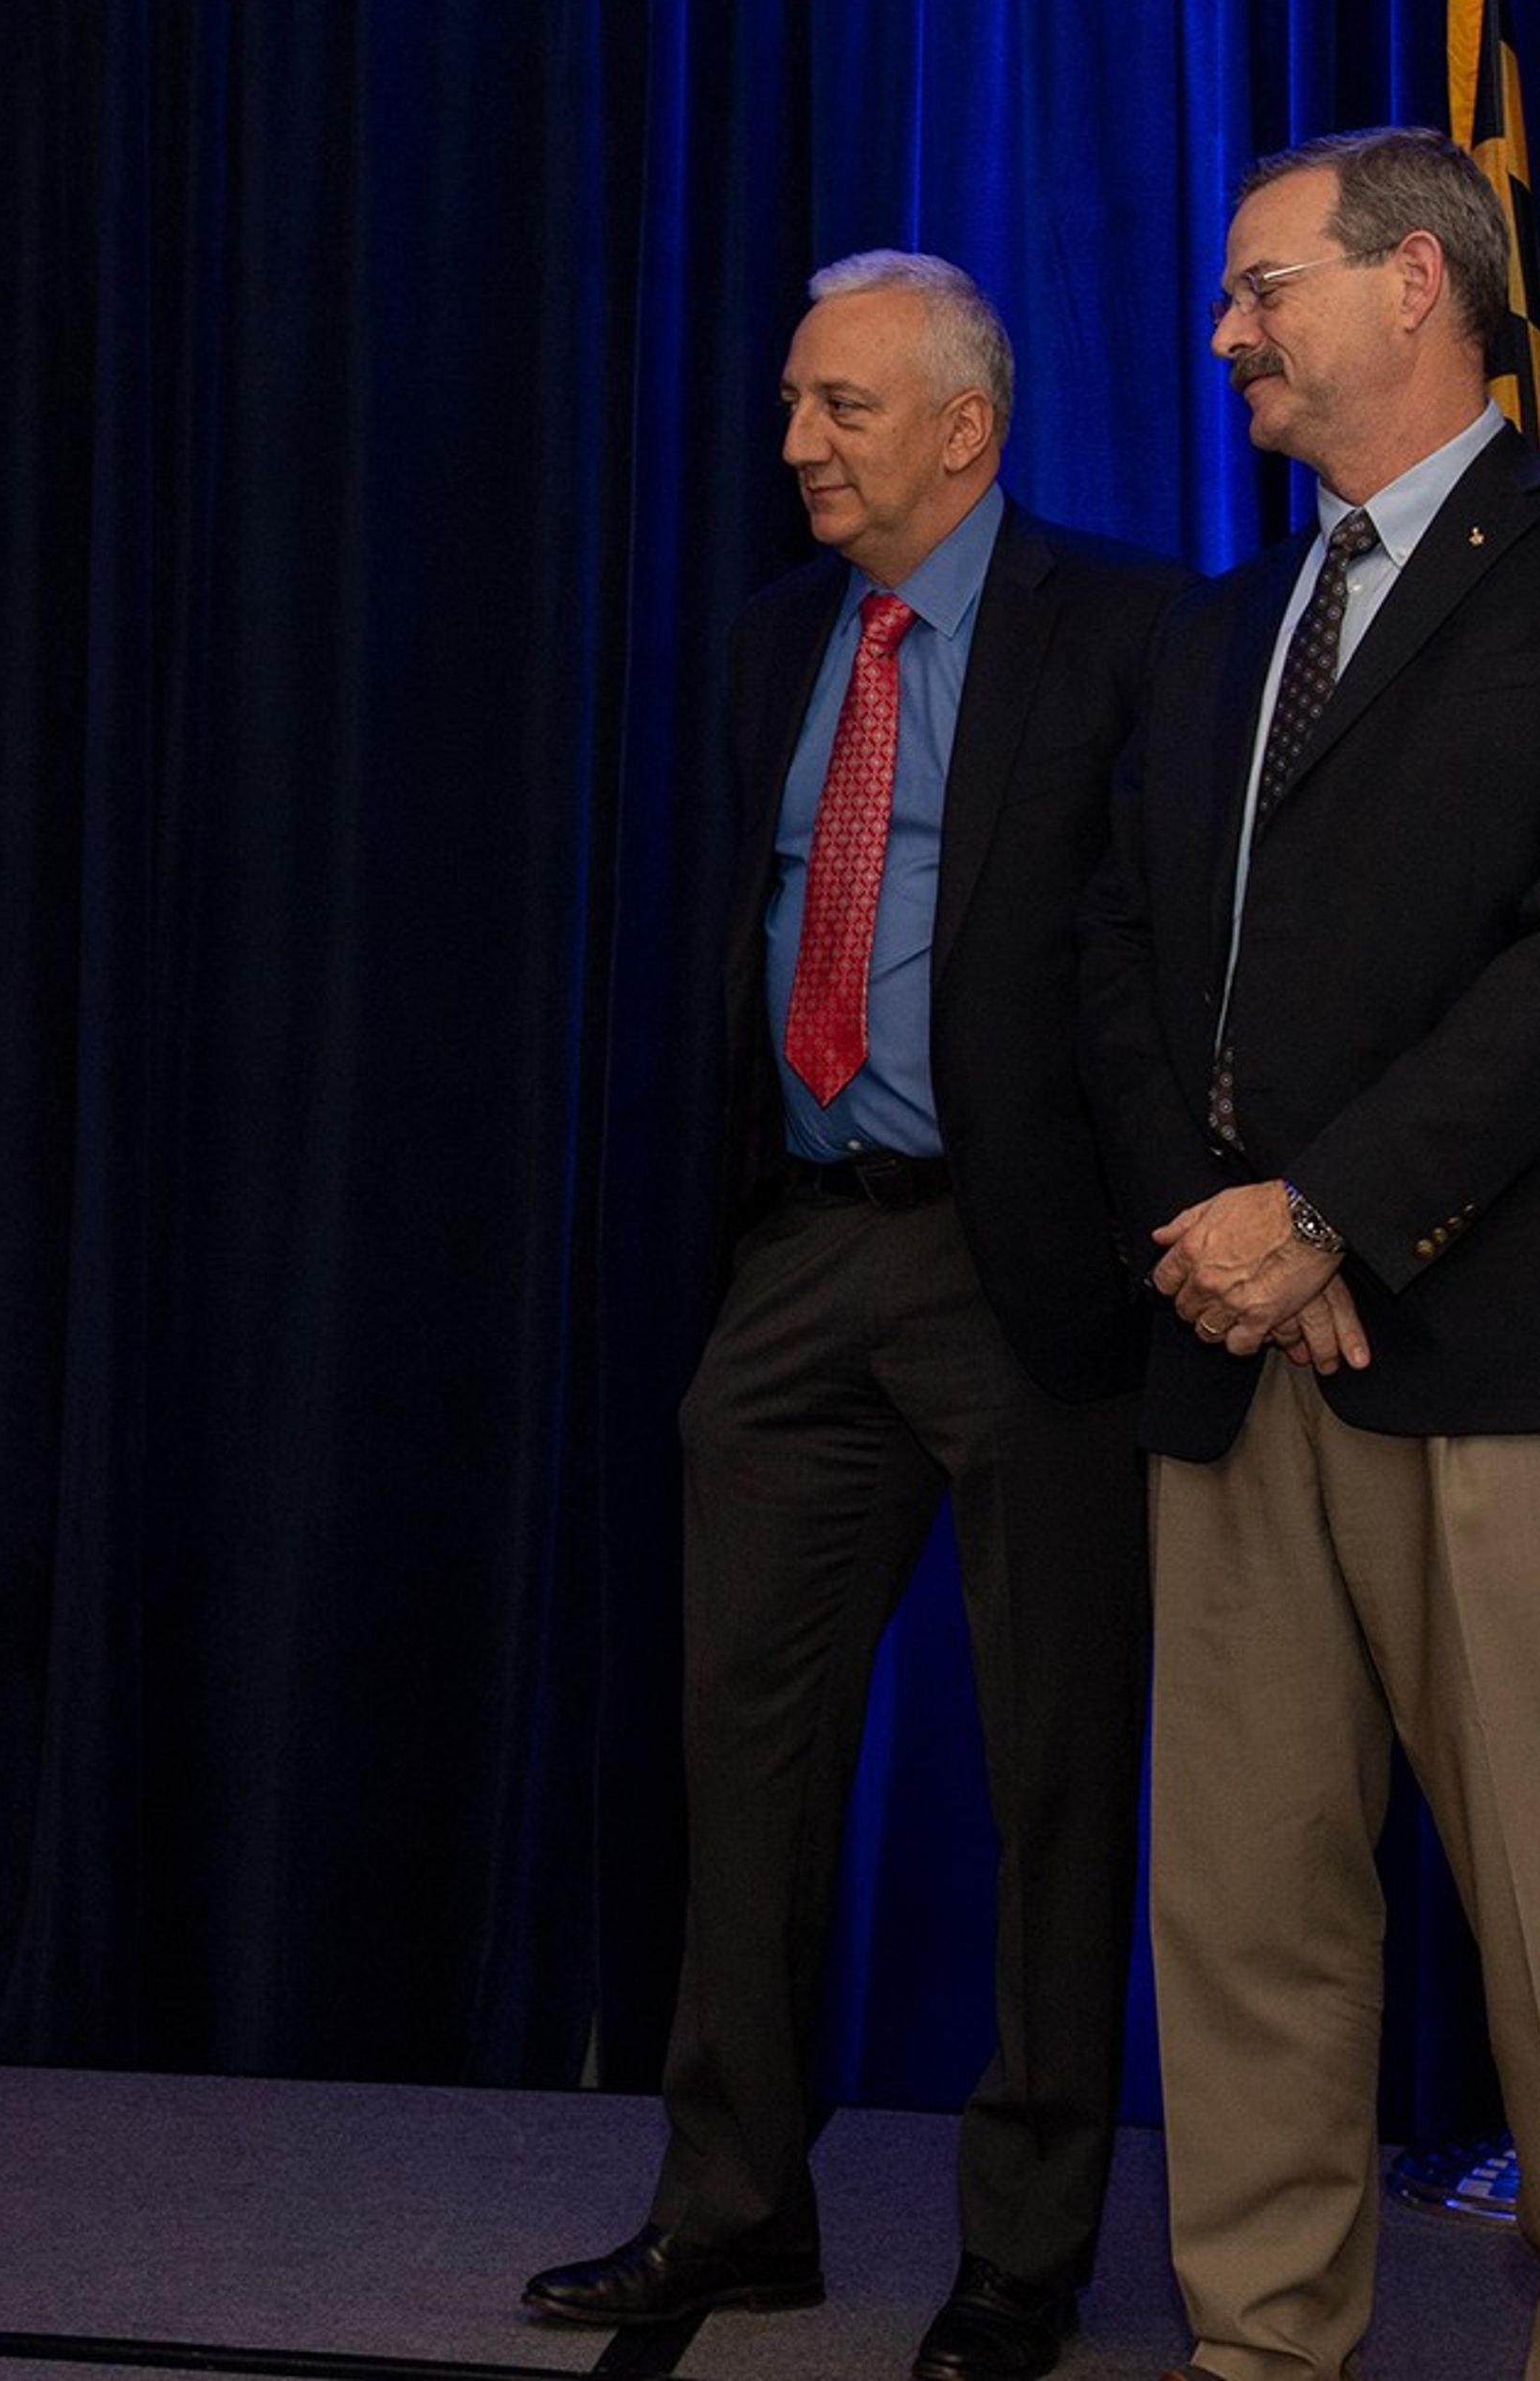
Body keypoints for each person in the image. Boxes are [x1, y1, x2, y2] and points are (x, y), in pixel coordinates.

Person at [1079, 128, 1540, 2381]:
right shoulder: (1217, 618)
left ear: (1410, 289)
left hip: (1502, 1354)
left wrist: (1330, 1207)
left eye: (1260, 285)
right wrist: (1220, 1230)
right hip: (1227, 1347)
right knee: (1243, 1919)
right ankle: (1255, 2348)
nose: (1223, 332)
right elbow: (1120, 954)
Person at [522, 254, 1183, 2381]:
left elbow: (1166, 963)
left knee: (1052, 1775)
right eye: (799, 406)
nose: (798, 443)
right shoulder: (766, 647)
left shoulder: (1133, 631)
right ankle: (732, 2213)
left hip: (1030, 1268)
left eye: (843, 409)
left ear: (965, 429)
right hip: (804, 1252)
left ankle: (1025, 2256)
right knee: (744, 1752)